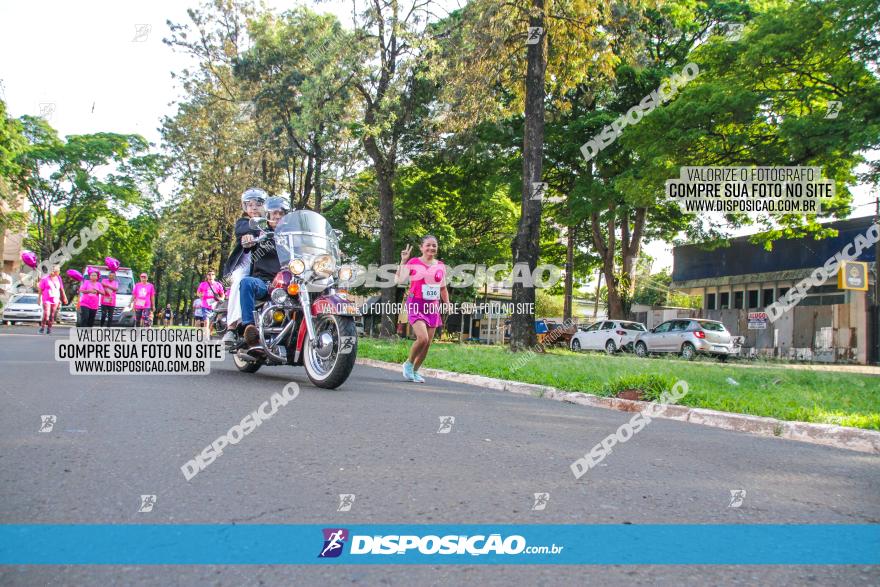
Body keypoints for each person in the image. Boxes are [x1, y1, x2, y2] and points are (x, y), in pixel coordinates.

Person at [395, 235, 449, 383]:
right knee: (422, 338)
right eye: (428, 245)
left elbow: (443, 288)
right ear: (421, 247)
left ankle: (416, 371)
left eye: (434, 245)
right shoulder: (414, 262)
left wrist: (447, 303)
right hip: (415, 303)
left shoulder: (440, 265)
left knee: (427, 343)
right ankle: (408, 364)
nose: (431, 248)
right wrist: (403, 261)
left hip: (432, 306)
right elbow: (399, 280)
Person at [237, 196, 288, 348]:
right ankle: (249, 327)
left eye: (281, 213)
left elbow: (308, 248)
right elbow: (248, 243)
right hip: (265, 283)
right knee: (246, 282)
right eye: (274, 214)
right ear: (268, 216)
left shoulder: (293, 236)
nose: (278, 216)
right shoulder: (261, 233)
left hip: (290, 284)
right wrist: (248, 240)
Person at [222, 188, 267, 343]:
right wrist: (256, 233)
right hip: (245, 262)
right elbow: (243, 229)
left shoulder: (273, 224)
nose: (254, 208)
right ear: (245, 207)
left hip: (263, 264)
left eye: (258, 204)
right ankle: (232, 327)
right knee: (240, 281)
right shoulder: (243, 223)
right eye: (250, 204)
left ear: (265, 206)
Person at [38, 265, 67, 334]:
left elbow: (61, 289)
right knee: (46, 314)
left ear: (58, 272)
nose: (53, 272)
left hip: (55, 299)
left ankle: (49, 328)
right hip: (46, 298)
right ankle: (42, 327)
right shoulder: (44, 279)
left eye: (55, 271)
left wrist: (64, 297)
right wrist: (39, 299)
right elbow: (40, 289)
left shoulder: (59, 278)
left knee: (52, 315)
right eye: (52, 270)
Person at [196, 270, 225, 334]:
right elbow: (198, 293)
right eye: (209, 274)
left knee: (212, 323)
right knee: (206, 321)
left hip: (215, 306)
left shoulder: (218, 285)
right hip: (205, 305)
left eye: (212, 274)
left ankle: (209, 334)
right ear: (207, 276)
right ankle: (206, 336)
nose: (211, 276)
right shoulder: (203, 284)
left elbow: (222, 294)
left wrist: (221, 299)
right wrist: (202, 295)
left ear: (214, 276)